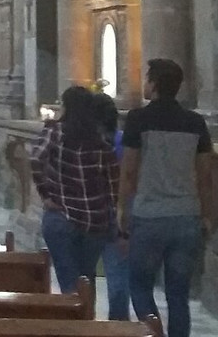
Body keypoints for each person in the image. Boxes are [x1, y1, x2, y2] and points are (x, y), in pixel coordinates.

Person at [119, 59, 213, 337]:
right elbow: (205, 176)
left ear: (156, 84)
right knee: (178, 295)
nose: (145, 84)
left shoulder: (138, 119)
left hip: (149, 215)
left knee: (139, 286)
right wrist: (207, 215)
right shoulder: (195, 122)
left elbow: (129, 171)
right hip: (186, 216)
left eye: (148, 79)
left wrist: (122, 209)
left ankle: (152, 332)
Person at [30, 85, 119, 294]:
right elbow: (113, 183)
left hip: (61, 214)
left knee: (68, 278)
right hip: (94, 219)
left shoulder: (56, 131)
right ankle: (86, 318)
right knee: (87, 277)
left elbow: (35, 158)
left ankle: (73, 319)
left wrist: (45, 194)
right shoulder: (101, 140)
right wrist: (113, 214)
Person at [94, 92, 130, 321]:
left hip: (90, 212)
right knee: (118, 278)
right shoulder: (125, 141)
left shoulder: (85, 144)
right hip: (118, 212)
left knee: (83, 278)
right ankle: (119, 325)